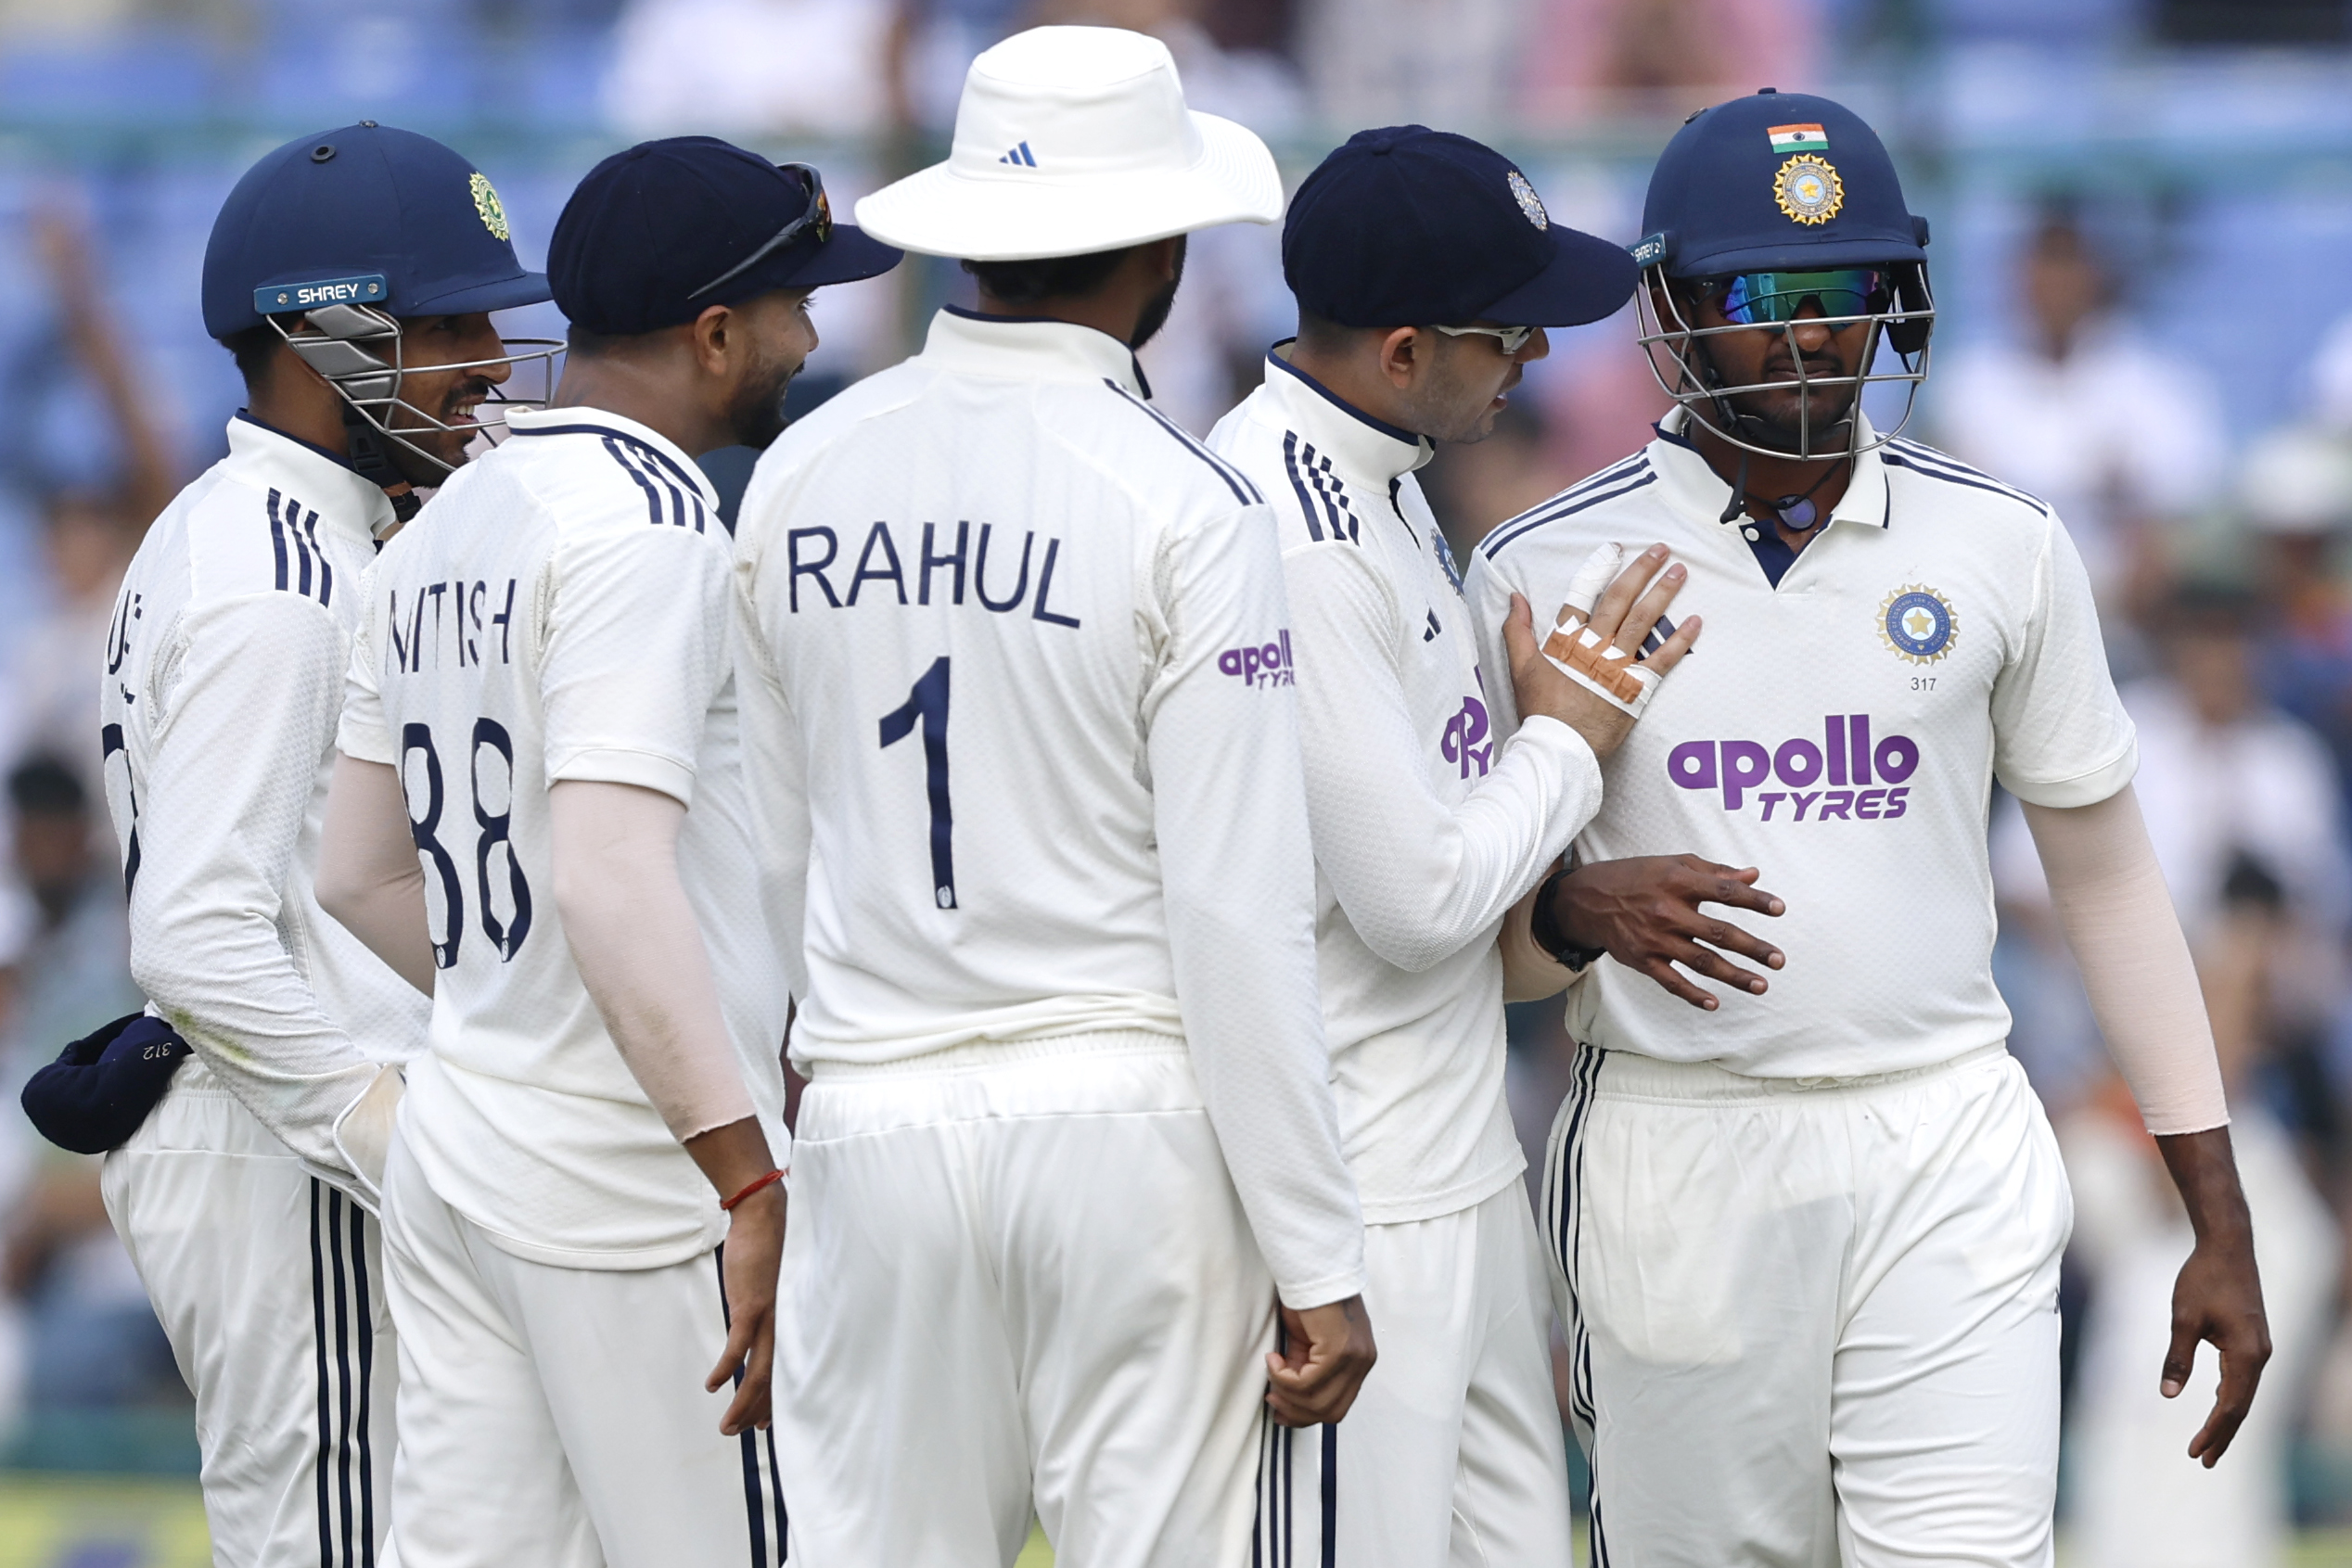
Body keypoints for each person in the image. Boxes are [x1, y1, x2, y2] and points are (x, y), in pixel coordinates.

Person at [1463, 90, 2269, 1563]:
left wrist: (2217, 1215)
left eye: (1846, 289)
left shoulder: (2005, 544)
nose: (1813, 335)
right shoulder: (1539, 565)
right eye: (1759, 297)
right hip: (1675, 1148)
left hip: (1945, 1131)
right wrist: (1575, 914)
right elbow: (1474, 948)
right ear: (1671, 306)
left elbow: (2109, 889)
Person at [734, 26, 1374, 1565]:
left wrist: (774, 1165)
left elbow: (767, 869)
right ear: (1162, 250)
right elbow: (1234, 913)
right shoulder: (1190, 503)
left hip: (870, 1114)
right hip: (1124, 1123)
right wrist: (1318, 1251)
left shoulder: (801, 471)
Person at [313, 136, 901, 1568]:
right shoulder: (650, 521)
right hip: (638, 1176)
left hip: (467, 1146)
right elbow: (603, 874)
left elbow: (357, 875)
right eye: (796, 305)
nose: (809, 337)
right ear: (716, 334)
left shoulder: (443, 522)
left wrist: (524, 1006)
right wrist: (744, 1173)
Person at [1201, 125, 1694, 1565]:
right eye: (1507, 328)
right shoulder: (1295, 534)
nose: (1536, 353)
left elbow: (1461, 914)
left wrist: (1569, 893)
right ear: (1406, 350)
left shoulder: (1387, 482)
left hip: (1456, 1166)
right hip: (1360, 1200)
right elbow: (1417, 904)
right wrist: (1570, 736)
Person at [93, 123, 553, 1568]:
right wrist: (401, 1146)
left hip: (269, 1137)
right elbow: (195, 937)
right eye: (449, 325)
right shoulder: (281, 582)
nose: (492, 359)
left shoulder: (277, 533)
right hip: (286, 1150)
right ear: (321, 335)